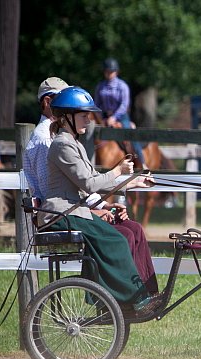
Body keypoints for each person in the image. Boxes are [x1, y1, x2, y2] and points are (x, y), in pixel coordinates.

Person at [24, 77, 158, 293]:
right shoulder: (60, 145)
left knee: (133, 229)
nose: (89, 120)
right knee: (117, 239)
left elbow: (92, 177)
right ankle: (124, 298)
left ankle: (147, 292)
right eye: (84, 116)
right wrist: (118, 170)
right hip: (63, 213)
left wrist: (132, 182)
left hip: (75, 210)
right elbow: (88, 183)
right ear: (67, 117)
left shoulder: (72, 142)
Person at [94, 57, 146, 167]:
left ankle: (140, 162)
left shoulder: (122, 86)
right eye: (107, 71)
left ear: (116, 72)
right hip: (104, 117)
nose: (109, 74)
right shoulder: (100, 86)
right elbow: (97, 104)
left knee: (130, 136)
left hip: (121, 116)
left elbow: (124, 105)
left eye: (111, 71)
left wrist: (114, 117)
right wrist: (100, 117)